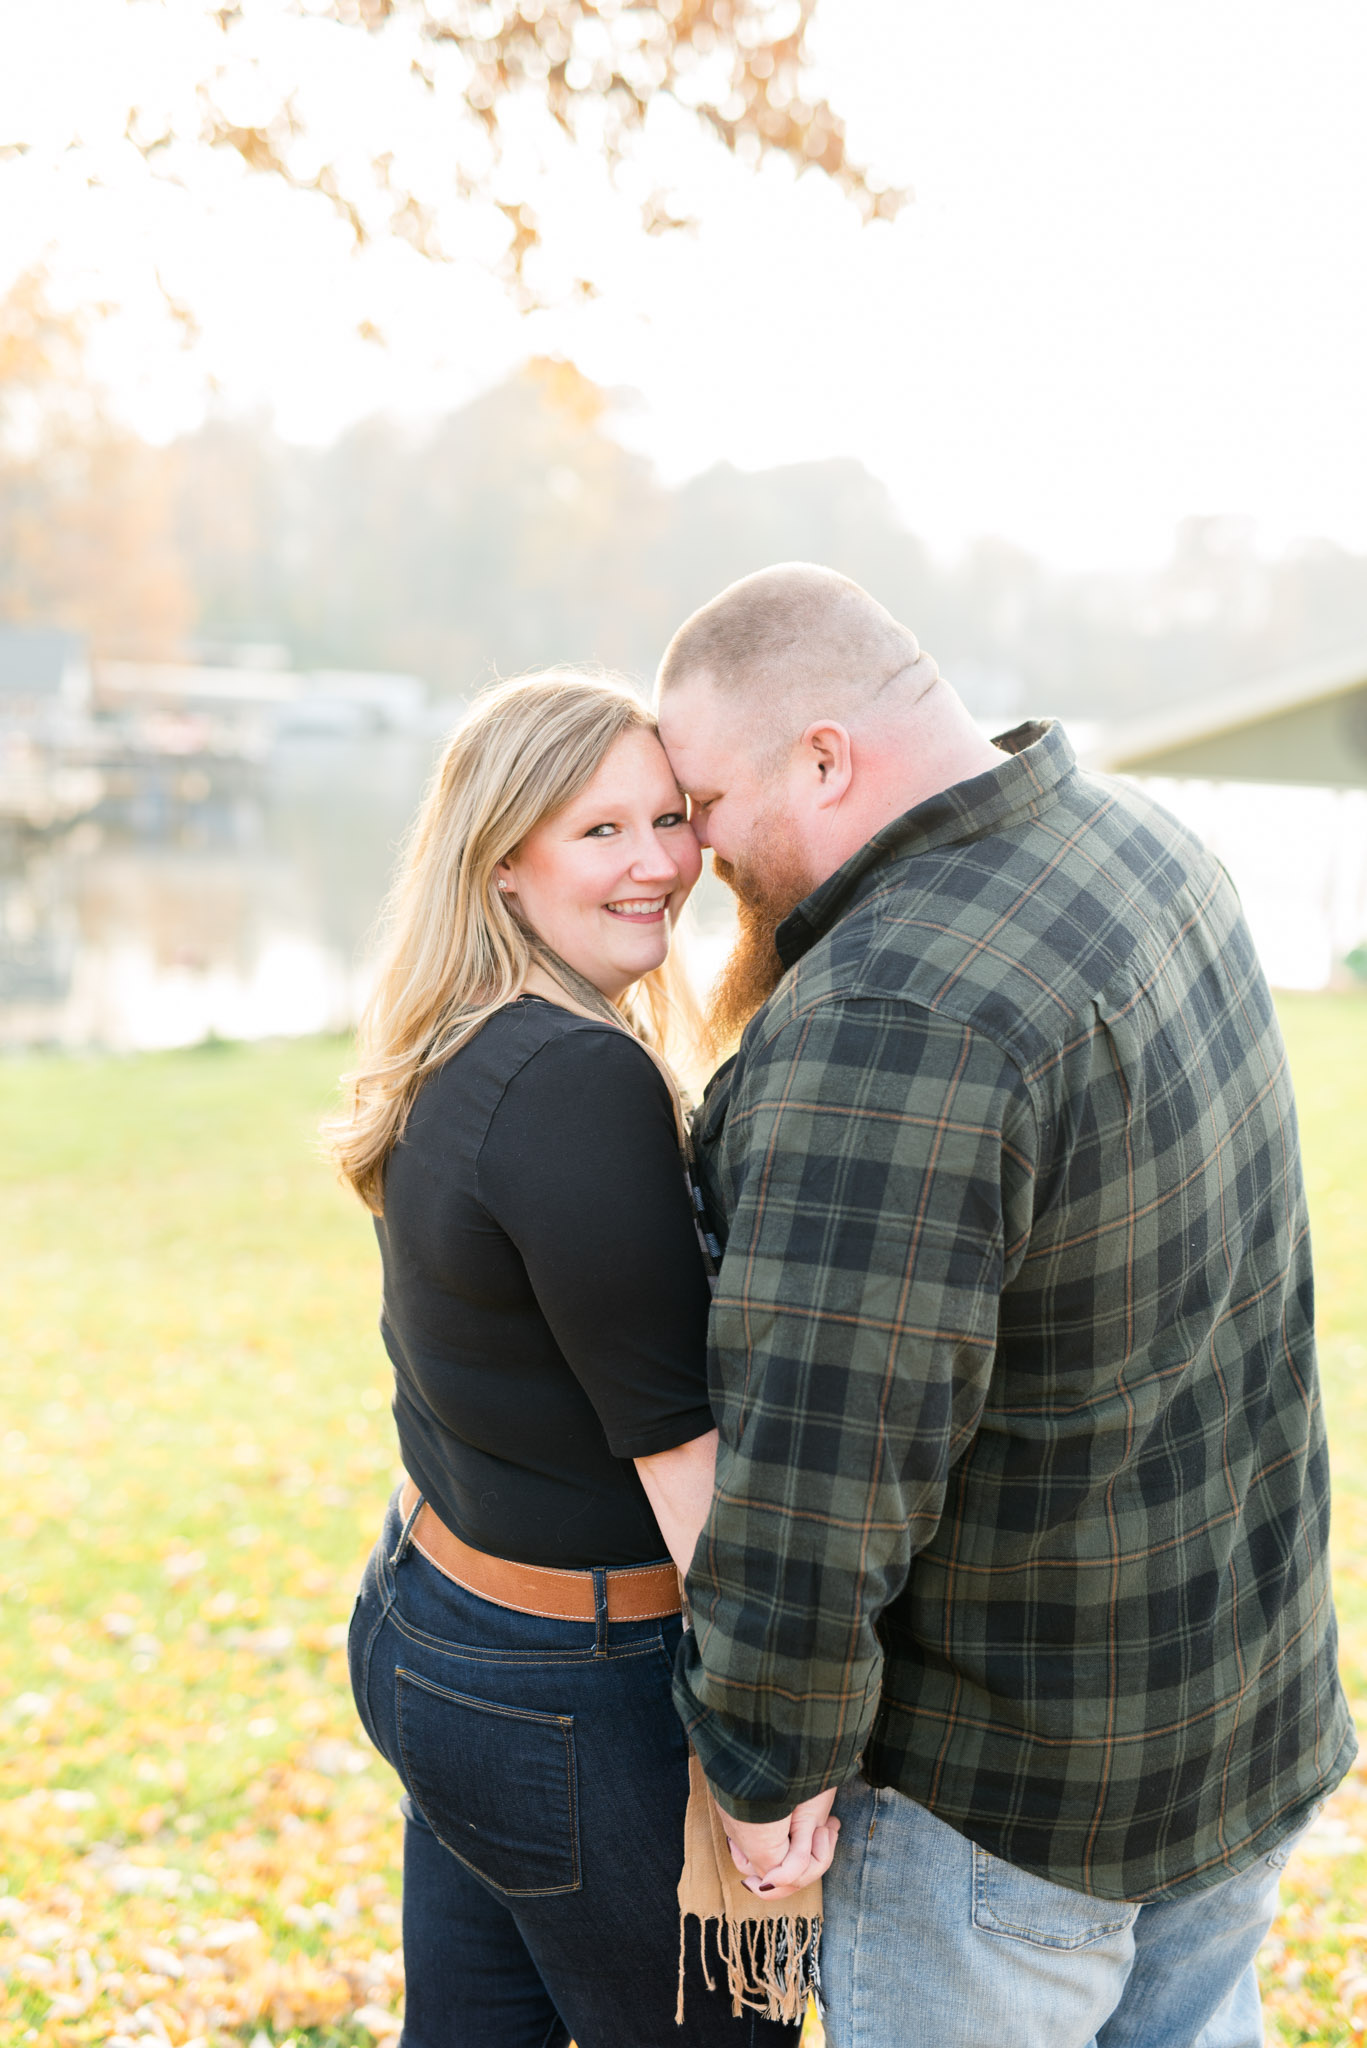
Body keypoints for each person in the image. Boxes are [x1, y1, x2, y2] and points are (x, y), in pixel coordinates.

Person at [654, 564, 1356, 2048]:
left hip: (1007, 1820)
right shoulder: (1148, 850)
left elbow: (821, 1481)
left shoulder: (895, 1016)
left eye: (706, 802)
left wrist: (763, 1772)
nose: (693, 847)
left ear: (828, 758)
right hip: (1239, 1729)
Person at [325, 672, 829, 2048]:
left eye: (669, 818)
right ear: (502, 862)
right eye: (598, 831)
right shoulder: (574, 1079)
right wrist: (765, 1753)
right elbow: (677, 1448)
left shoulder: (466, 1044)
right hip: (575, 1691)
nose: (660, 861)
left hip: (441, 1629)